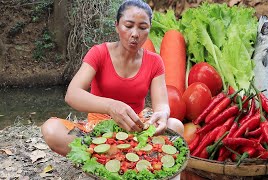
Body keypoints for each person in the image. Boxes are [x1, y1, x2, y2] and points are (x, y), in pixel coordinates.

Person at [41, 0, 184, 179]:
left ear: (149, 29)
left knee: (175, 126)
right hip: (97, 130)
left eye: (142, 27)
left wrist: (162, 114)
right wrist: (111, 106)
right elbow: (72, 94)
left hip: (135, 128)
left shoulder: (155, 61)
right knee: (51, 130)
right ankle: (119, 157)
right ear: (117, 26)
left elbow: (162, 104)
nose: (135, 34)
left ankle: (113, 159)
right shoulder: (99, 53)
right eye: (129, 25)